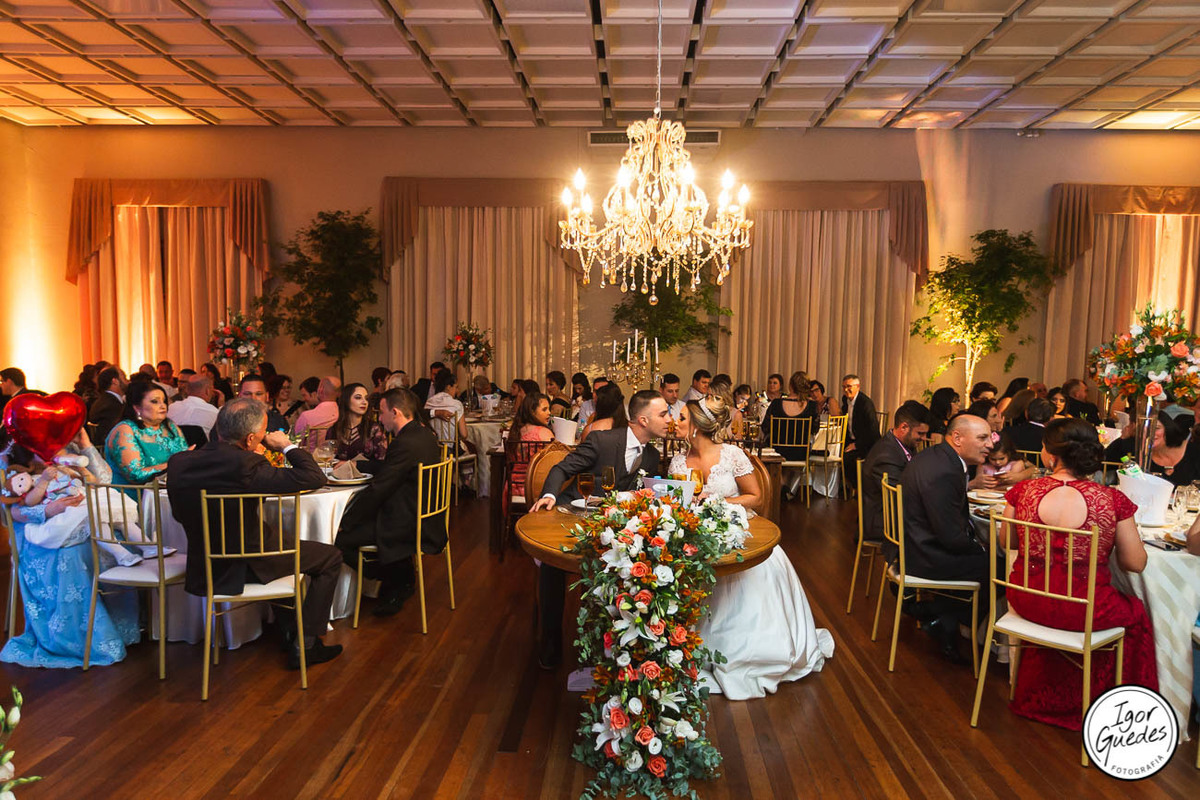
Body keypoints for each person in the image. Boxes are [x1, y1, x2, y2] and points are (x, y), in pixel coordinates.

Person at [669, 394, 834, 698]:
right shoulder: (678, 461)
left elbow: (755, 497)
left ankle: (750, 649)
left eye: (681, 418)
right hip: (696, 534)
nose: (674, 422)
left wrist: (718, 501)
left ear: (696, 426)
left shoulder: (732, 454)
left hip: (736, 530)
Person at [1001, 418, 1156, 729]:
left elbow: (1008, 542)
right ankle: (1119, 714)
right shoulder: (1111, 500)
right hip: (1083, 609)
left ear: (1050, 454)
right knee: (1137, 613)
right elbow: (1135, 563)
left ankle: (1045, 697)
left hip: (1029, 599)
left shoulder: (1023, 491)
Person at [166, 398, 343, 669]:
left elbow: (179, 516)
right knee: (330, 557)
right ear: (250, 439)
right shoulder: (247, 464)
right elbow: (314, 477)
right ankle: (306, 645)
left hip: (205, 565)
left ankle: (289, 631)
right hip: (249, 562)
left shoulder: (179, 462)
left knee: (281, 547)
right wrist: (286, 446)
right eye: (260, 435)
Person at [530, 390, 671, 667]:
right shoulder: (602, 441)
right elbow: (561, 470)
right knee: (552, 563)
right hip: (574, 519)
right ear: (643, 420)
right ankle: (550, 642)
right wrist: (549, 495)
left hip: (615, 532)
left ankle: (618, 648)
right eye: (664, 414)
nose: (670, 419)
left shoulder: (652, 456)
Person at [0, 428, 140, 668]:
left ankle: (122, 625)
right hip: (36, 531)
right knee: (71, 554)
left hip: (83, 515)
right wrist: (48, 510)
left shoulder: (68, 452)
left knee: (116, 533)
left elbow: (103, 482)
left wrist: (85, 444)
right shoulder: (14, 461)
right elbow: (12, 512)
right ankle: (79, 639)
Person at [336, 388, 446, 617]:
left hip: (408, 521)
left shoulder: (405, 442)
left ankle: (396, 579)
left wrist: (345, 520)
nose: (379, 418)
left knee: (340, 539)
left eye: (382, 412)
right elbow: (392, 468)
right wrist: (357, 465)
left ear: (395, 412)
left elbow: (379, 489)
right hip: (426, 513)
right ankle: (399, 577)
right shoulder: (423, 433)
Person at [899, 413, 995, 664]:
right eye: (982, 438)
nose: (990, 445)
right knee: (1002, 569)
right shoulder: (945, 471)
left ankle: (944, 619)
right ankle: (941, 616)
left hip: (915, 543)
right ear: (957, 438)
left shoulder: (938, 456)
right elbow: (950, 537)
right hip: (925, 554)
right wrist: (981, 547)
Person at [861, 401, 932, 543]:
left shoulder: (904, 446)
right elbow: (900, 497)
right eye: (920, 433)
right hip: (884, 521)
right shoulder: (886, 455)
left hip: (896, 512)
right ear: (904, 427)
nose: (924, 438)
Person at [105, 380, 189, 487]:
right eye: (155, 401)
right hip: (135, 493)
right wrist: (175, 464)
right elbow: (135, 475)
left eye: (164, 401)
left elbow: (185, 459)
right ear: (137, 408)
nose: (163, 406)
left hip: (168, 489)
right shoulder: (125, 430)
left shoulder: (169, 426)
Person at [1104, 404, 1200, 486]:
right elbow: (1104, 460)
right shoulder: (1138, 450)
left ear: (1167, 429)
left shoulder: (1194, 451)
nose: (1150, 433)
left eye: (1156, 428)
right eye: (1144, 429)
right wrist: (1122, 438)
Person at [762, 371, 819, 498]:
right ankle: (784, 487)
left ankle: (780, 485)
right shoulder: (812, 406)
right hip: (800, 451)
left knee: (778, 453)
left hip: (777, 450)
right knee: (790, 458)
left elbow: (765, 427)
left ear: (790, 386)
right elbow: (814, 429)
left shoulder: (776, 403)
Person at [507, 392, 554, 498]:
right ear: (532, 412)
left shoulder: (516, 430)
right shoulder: (544, 433)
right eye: (544, 409)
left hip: (514, 485)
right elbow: (554, 460)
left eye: (549, 409)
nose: (549, 413)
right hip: (535, 488)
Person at [329, 383, 387, 464]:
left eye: (366, 398)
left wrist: (356, 464)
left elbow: (382, 462)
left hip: (367, 472)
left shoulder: (374, 429)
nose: (364, 402)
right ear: (346, 400)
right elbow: (328, 461)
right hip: (340, 472)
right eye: (358, 398)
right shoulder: (334, 429)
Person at [841, 373, 881, 490]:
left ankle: (859, 489)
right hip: (852, 440)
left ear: (857, 387)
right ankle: (843, 488)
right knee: (834, 454)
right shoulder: (845, 401)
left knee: (846, 459)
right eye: (844, 387)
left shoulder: (865, 403)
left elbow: (873, 431)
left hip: (868, 443)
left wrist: (856, 445)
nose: (846, 390)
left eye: (849, 386)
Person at [166, 373, 219, 442]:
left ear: (187, 390)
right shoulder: (214, 412)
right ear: (207, 391)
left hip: (174, 447)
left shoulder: (171, 408)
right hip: (202, 448)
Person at [425, 369, 468, 448]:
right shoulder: (456, 404)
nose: (457, 391)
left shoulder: (429, 402)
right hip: (449, 449)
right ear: (448, 387)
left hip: (432, 448)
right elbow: (464, 434)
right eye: (456, 387)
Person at [294, 376, 341, 443]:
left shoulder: (306, 416)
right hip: (337, 449)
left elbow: (296, 441)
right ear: (339, 393)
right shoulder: (343, 414)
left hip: (313, 450)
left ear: (320, 391)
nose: (303, 399)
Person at [88, 366, 128, 445]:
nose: (128, 381)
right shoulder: (112, 406)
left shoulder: (104, 400)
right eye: (124, 378)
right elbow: (115, 435)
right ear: (115, 381)